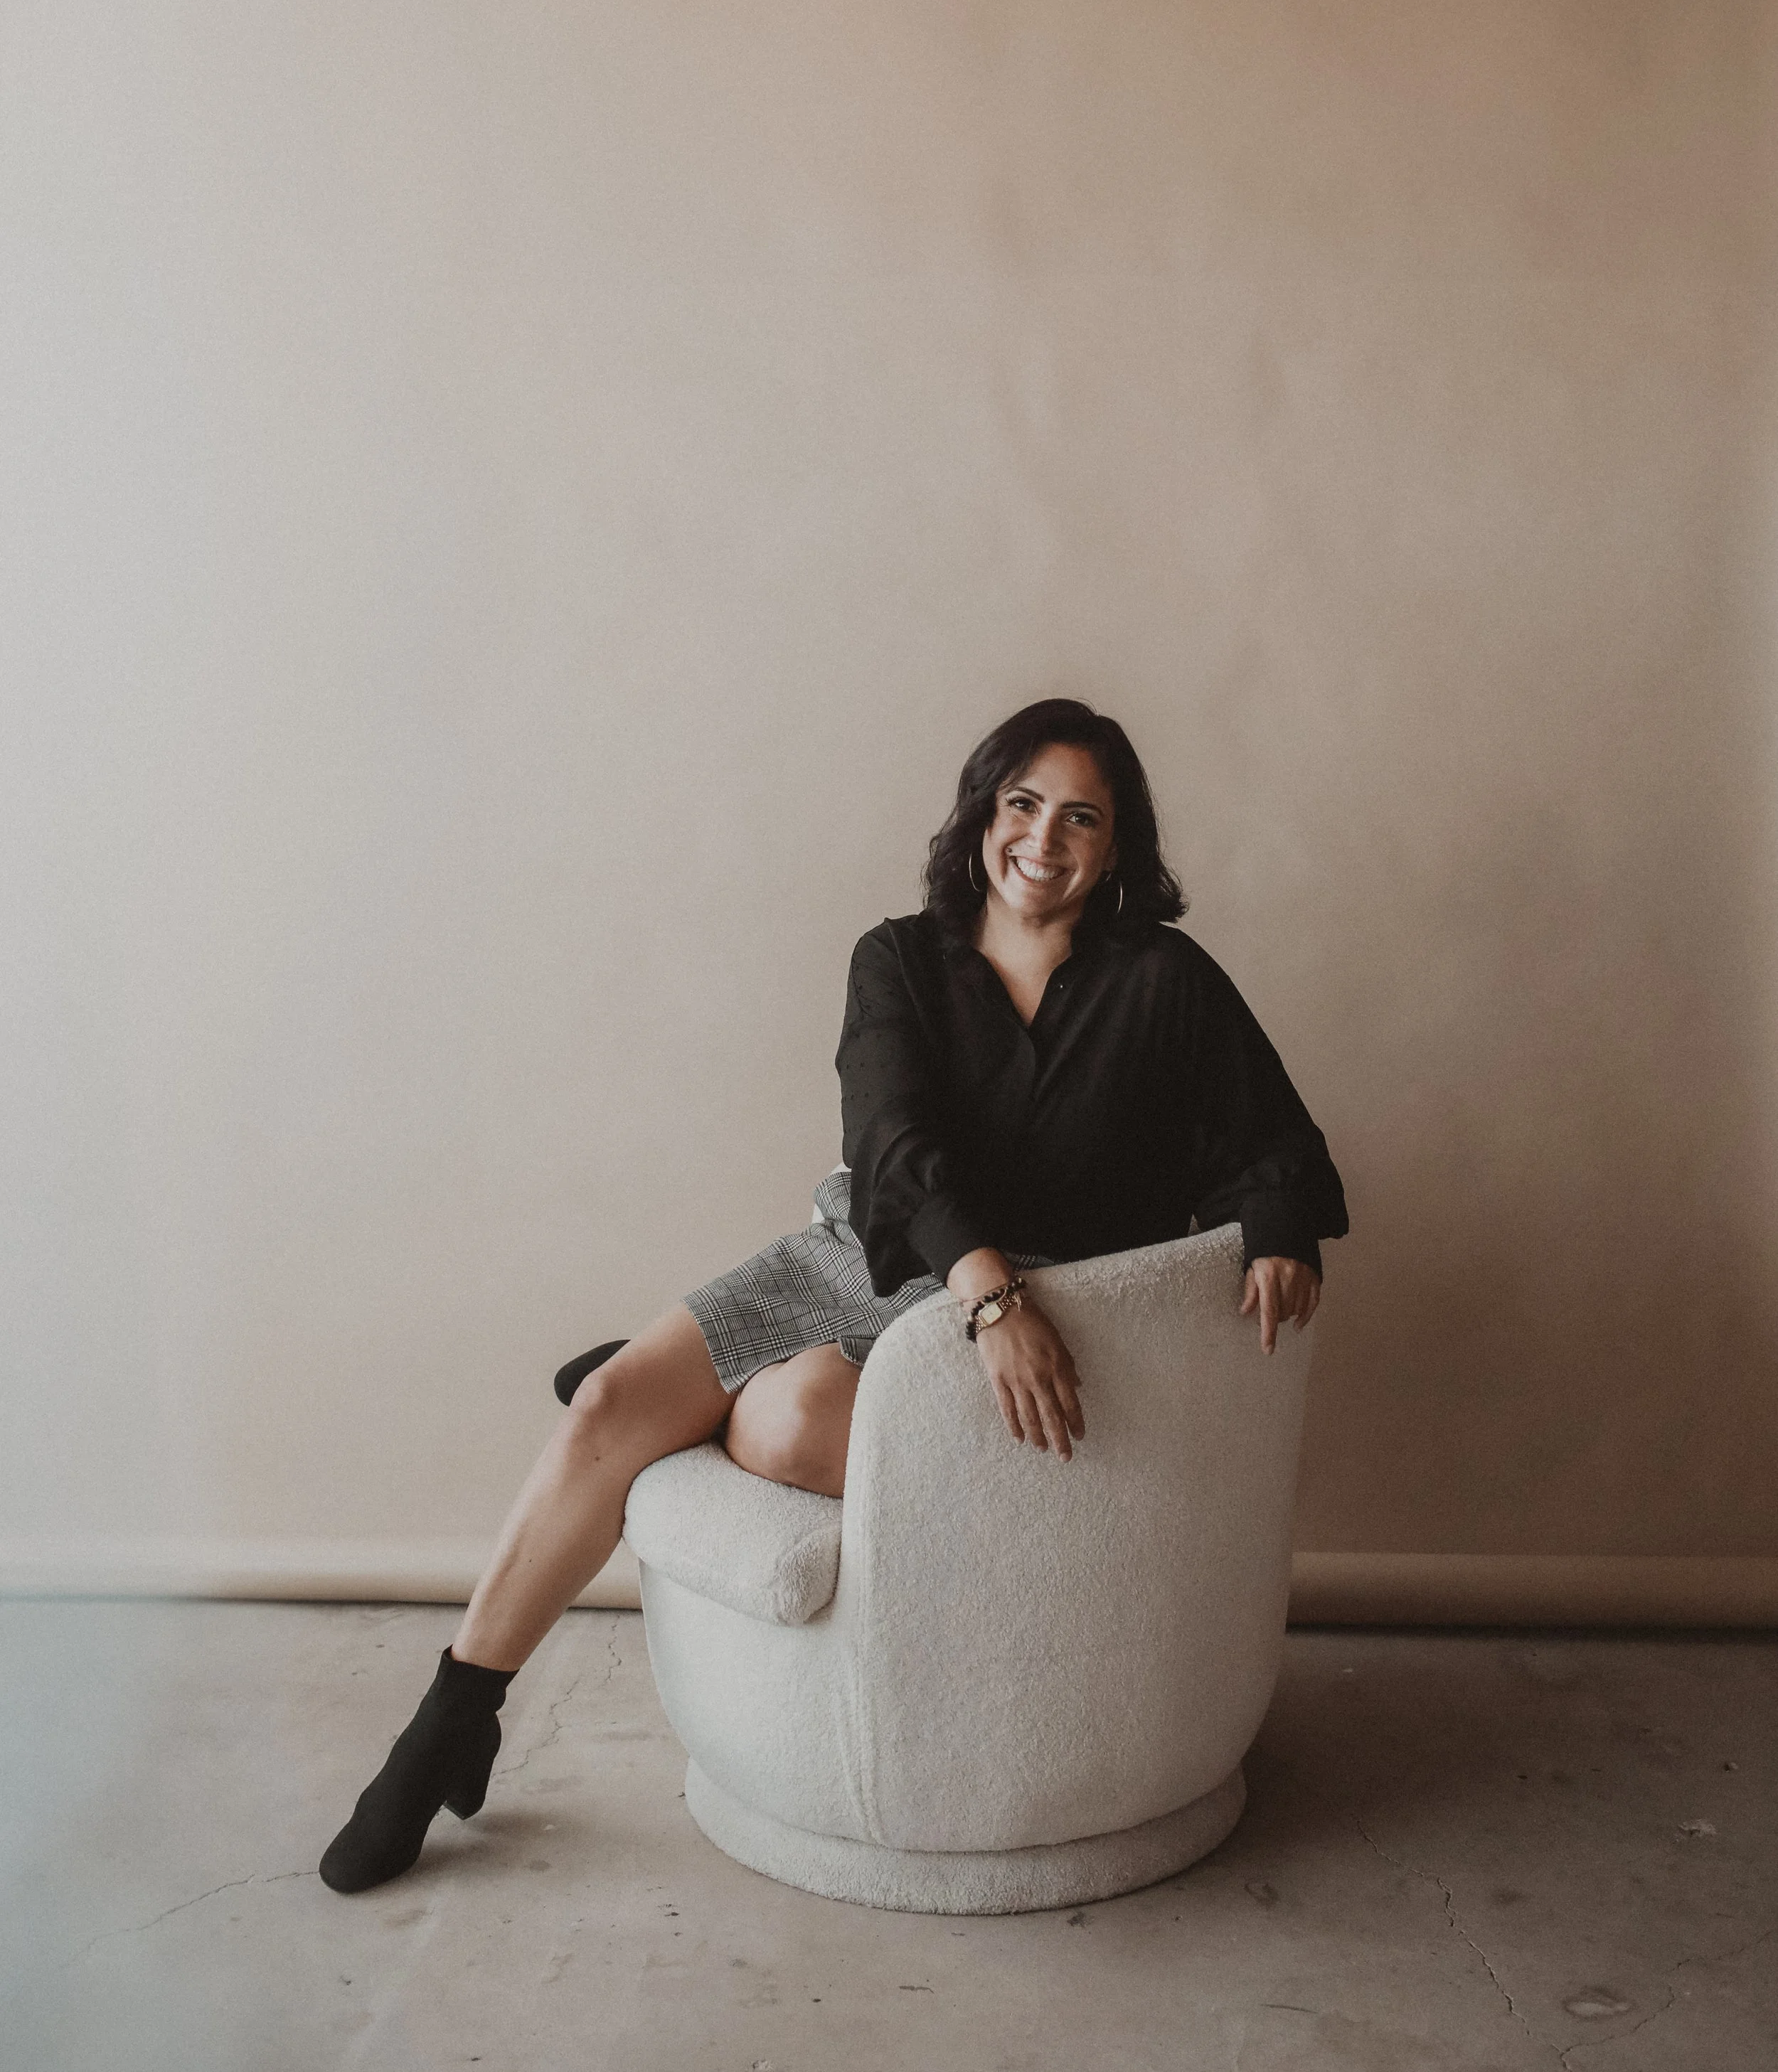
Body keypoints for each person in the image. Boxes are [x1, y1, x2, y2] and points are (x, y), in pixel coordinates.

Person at [318, 698, 1346, 1894]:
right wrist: (989, 1296)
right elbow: (892, 1145)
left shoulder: (1165, 982)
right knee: (603, 1403)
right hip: (874, 1258)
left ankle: (714, 1398)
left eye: (1081, 818)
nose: (1044, 839)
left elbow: (1286, 1142)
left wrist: (1277, 1225)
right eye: (1022, 804)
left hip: (1028, 1310)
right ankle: (455, 1717)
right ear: (981, 814)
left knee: (786, 1420)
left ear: (1117, 848)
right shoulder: (898, 956)